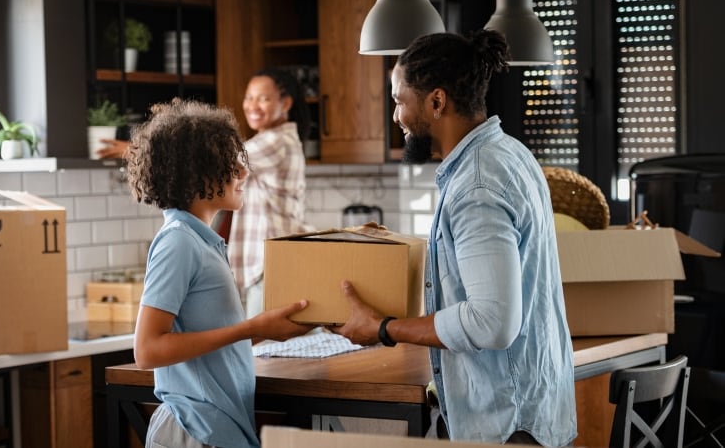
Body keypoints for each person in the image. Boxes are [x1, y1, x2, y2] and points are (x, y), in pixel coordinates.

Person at [329, 30, 577, 446]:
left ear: (437, 102)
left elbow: (492, 322)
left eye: (399, 101)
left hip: (507, 425)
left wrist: (385, 329)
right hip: (531, 412)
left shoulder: (476, 184)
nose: (396, 117)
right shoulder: (510, 154)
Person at [126, 98, 316, 448]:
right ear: (197, 173)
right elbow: (147, 350)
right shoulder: (178, 241)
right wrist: (252, 328)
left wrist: (266, 330)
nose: (244, 173)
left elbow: (212, 339)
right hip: (194, 429)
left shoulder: (202, 241)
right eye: (230, 163)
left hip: (216, 427)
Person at [228, 68, 314, 318]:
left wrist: (140, 148)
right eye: (249, 97)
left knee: (263, 342)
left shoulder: (276, 142)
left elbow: (218, 161)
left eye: (263, 98)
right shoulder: (278, 140)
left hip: (272, 265)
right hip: (276, 263)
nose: (252, 105)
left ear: (285, 103)